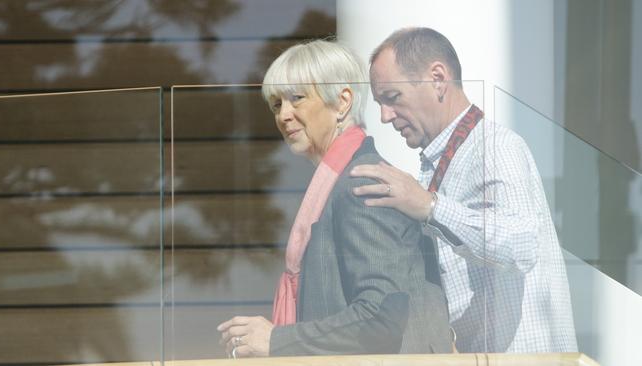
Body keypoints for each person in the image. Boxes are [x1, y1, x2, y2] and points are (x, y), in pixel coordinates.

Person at [216, 39, 452, 357]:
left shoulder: (363, 184)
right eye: (276, 104)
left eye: (296, 98)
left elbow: (380, 320)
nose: (284, 115)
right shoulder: (338, 184)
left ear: (342, 103)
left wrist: (276, 340)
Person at [350, 27, 578, 353]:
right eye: (380, 104)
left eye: (392, 98)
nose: (385, 116)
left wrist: (430, 206)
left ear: (438, 78)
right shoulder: (444, 161)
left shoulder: (494, 146)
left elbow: (522, 245)